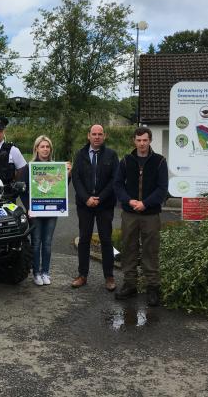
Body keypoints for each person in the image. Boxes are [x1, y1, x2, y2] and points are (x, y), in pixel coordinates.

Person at [113, 126, 168, 306]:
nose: (142, 143)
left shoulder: (160, 161)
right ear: (134, 141)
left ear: (150, 140)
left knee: (150, 249)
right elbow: (118, 185)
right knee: (129, 247)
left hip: (150, 214)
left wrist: (145, 203)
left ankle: (153, 288)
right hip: (130, 213)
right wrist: (129, 201)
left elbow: (162, 189)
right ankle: (130, 285)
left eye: (145, 140)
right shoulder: (126, 161)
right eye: (139, 140)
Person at [70, 124, 119, 291]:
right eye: (94, 134)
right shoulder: (80, 154)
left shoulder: (111, 155)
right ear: (88, 136)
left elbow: (114, 179)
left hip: (104, 204)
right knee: (84, 239)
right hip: (85, 205)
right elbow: (76, 179)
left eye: (100, 134)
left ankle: (109, 276)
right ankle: (82, 275)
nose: (97, 137)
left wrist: (100, 198)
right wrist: (86, 198)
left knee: (106, 239)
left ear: (104, 136)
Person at [22, 135, 71, 286]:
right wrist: (28, 207)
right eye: (42, 146)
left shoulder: (57, 167)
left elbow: (61, 189)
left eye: (47, 146)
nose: (45, 149)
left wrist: (67, 176)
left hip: (51, 211)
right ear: (36, 148)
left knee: (48, 243)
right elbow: (23, 190)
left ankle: (45, 272)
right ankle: (36, 273)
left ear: (50, 149)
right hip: (35, 211)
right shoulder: (28, 167)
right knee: (36, 242)